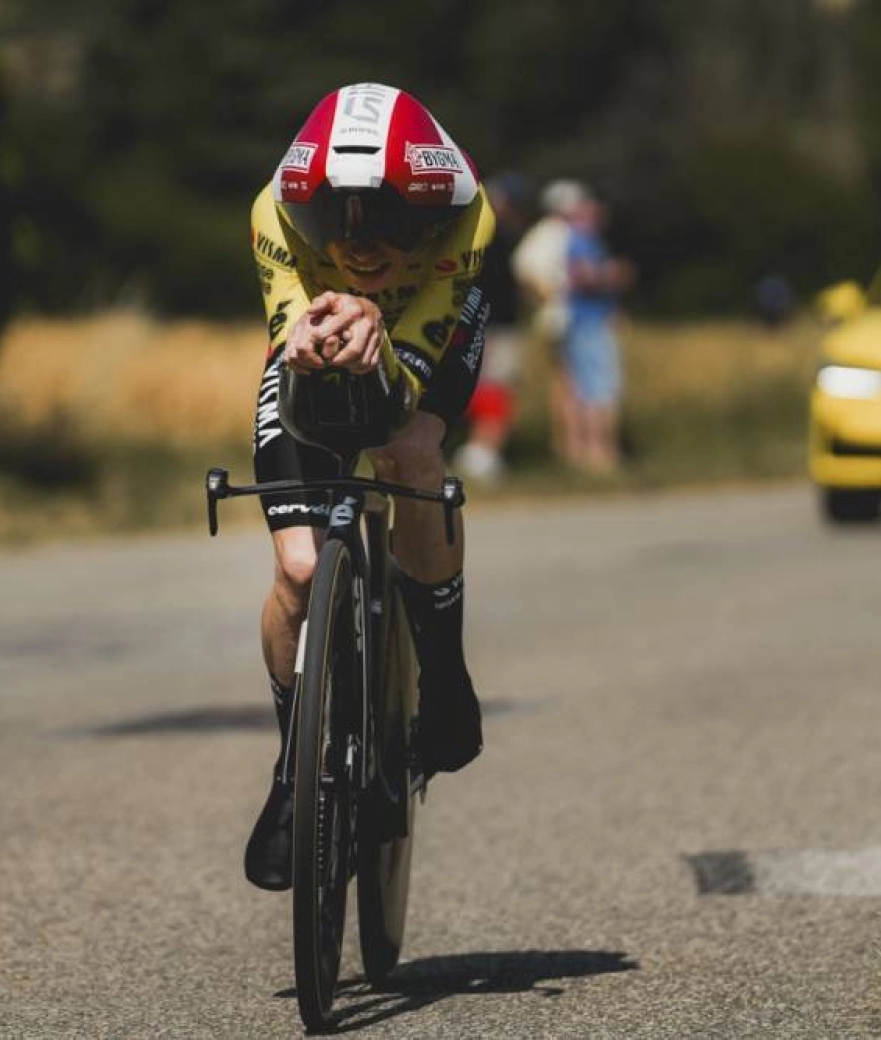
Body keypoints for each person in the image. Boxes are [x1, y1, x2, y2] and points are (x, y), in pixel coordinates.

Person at [244, 83, 494, 891]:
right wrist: (326, 336)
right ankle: (294, 767)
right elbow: (293, 341)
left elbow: (412, 377)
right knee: (300, 567)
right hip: (316, 342)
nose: (357, 244)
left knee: (410, 452)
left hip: (427, 327)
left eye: (383, 220)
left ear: (428, 209)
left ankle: (446, 680)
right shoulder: (272, 215)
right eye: (334, 220)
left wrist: (383, 338)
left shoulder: (470, 219)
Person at [454, 172, 530, 484]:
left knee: (493, 390)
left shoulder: (489, 237)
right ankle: (481, 453)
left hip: (493, 327)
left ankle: (481, 452)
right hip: (494, 328)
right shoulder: (489, 239)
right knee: (496, 391)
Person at [512, 179, 585, 466]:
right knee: (568, 383)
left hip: (560, 315)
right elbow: (524, 265)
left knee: (568, 383)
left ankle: (570, 447)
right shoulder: (554, 232)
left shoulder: (550, 232)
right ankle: (570, 447)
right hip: (561, 316)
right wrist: (547, 293)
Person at [562, 192, 634, 472]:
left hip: (586, 323)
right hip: (590, 323)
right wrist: (613, 273)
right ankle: (601, 453)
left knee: (587, 389)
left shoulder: (585, 241)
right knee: (600, 389)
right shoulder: (581, 242)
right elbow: (584, 277)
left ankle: (589, 452)